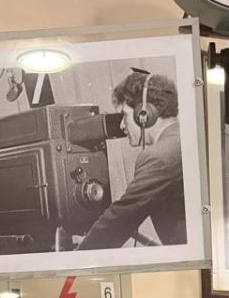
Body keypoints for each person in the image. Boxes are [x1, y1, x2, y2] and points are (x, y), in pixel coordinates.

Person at [76, 70, 186, 249]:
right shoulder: (180, 141)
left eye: (124, 115)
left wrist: (78, 255)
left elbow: (120, 218)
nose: (121, 125)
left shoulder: (159, 156)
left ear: (144, 114)